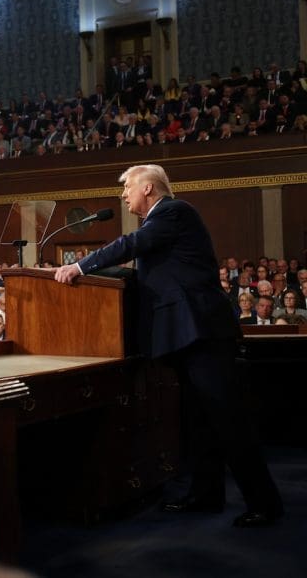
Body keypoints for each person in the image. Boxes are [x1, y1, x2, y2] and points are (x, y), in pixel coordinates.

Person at [54, 164, 283, 527]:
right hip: (186, 334)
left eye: (127, 187)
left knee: (228, 419)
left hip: (203, 332)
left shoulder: (174, 211)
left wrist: (81, 266)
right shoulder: (160, 223)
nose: (123, 194)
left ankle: (265, 503)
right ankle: (206, 495)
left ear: (148, 187)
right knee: (200, 422)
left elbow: (131, 245)